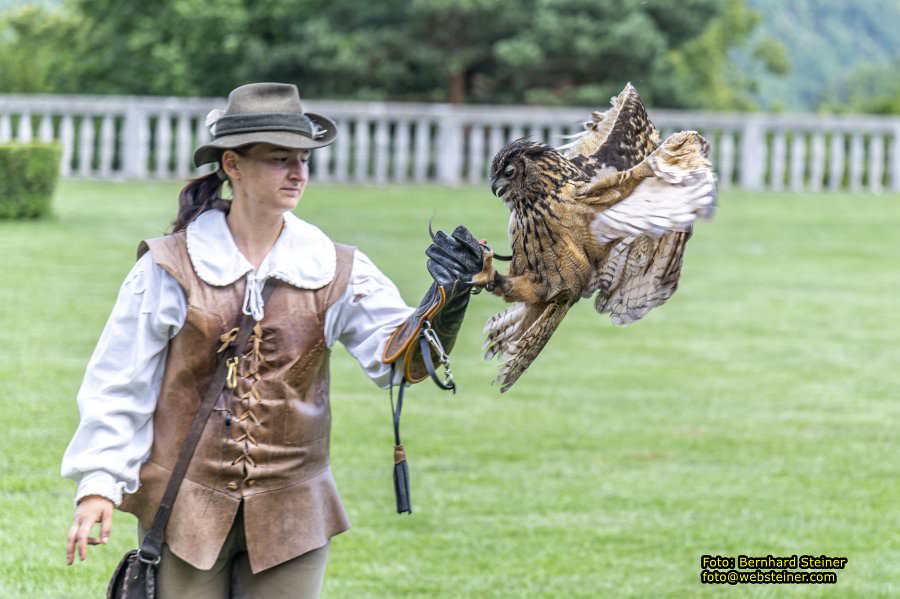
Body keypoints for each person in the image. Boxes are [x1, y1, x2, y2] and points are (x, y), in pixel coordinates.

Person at [61, 82, 484, 598]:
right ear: (233, 165)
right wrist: (98, 485)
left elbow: (400, 362)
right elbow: (120, 382)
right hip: (186, 504)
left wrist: (448, 299)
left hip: (295, 509)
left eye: (304, 159)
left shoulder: (334, 268)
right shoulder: (168, 267)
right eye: (280, 158)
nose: (298, 173)